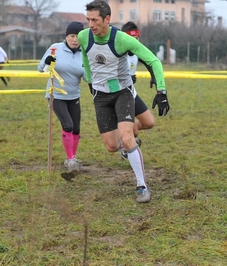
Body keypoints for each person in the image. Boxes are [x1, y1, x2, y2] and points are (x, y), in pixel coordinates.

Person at [78, 0, 170, 203]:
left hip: (123, 92)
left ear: (107, 19)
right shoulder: (84, 37)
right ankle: (131, 147)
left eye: (94, 20)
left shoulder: (121, 39)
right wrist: (90, 81)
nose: (90, 24)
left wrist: (161, 90)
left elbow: (153, 60)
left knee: (127, 137)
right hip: (100, 96)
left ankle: (141, 186)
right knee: (112, 146)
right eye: (88, 20)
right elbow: (85, 56)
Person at [38, 21, 86, 172]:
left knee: (76, 129)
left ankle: (73, 156)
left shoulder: (84, 53)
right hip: (56, 94)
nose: (74, 40)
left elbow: (87, 77)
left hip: (74, 96)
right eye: (72, 36)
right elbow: (41, 69)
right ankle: (70, 160)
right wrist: (47, 62)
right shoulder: (55, 48)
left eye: (78, 37)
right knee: (68, 125)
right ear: (66, 36)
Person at [120, 21, 157, 160]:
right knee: (130, 131)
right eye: (132, 39)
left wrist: (154, 77)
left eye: (137, 39)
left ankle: (125, 136)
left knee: (149, 123)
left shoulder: (137, 50)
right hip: (116, 95)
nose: (135, 42)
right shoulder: (116, 52)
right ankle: (126, 145)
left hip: (131, 92)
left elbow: (149, 61)